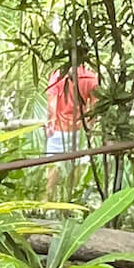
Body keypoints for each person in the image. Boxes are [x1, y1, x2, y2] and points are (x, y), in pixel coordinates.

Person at [44, 62, 98, 195]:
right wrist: (89, 127)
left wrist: (50, 123)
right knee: (78, 165)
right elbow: (95, 106)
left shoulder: (57, 75)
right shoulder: (90, 77)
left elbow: (52, 103)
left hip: (58, 128)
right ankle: (72, 196)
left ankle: (48, 198)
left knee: (53, 166)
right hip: (80, 130)